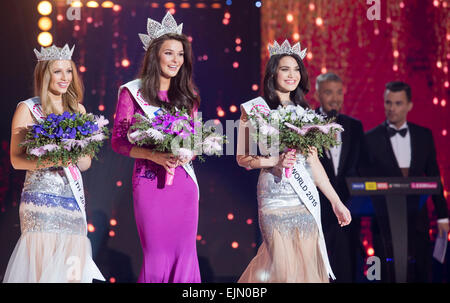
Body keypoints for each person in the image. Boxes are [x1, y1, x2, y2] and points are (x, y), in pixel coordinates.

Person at [236, 40, 351, 283]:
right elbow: (242, 157)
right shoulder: (254, 109)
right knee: (281, 269)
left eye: (296, 69)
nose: (292, 75)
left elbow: (314, 165)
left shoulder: (307, 113)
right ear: (273, 72)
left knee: (305, 271)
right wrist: (273, 162)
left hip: (304, 201)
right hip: (273, 199)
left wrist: (336, 201)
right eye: (285, 69)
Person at [111, 12, 201, 283]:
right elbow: (118, 141)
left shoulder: (189, 96)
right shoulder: (132, 93)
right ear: (155, 56)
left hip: (184, 184)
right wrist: (154, 154)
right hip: (150, 182)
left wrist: (186, 151)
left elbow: (195, 142)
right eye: (169, 53)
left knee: (185, 253)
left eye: (181, 54)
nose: (176, 60)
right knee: (157, 255)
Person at [3, 45, 104, 282]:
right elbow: (16, 160)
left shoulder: (78, 110)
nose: (65, 78)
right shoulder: (27, 108)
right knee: (42, 269)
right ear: (45, 74)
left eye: (69, 71)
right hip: (41, 203)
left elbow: (86, 163)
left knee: (70, 271)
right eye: (58, 72)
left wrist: (74, 152)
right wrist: (53, 158)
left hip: (72, 202)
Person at [365, 81, 449, 282]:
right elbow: (364, 182)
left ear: (409, 105)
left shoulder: (424, 136)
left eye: (398, 103)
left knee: (420, 271)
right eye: (388, 103)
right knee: (384, 274)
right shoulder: (370, 138)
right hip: (384, 223)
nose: (392, 108)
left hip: (417, 220)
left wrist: (443, 217)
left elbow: (434, 177)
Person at [314, 72, 366, 282]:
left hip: (348, 210)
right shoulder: (305, 125)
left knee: (346, 268)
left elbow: (362, 167)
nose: (334, 98)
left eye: (338, 92)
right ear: (317, 94)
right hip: (317, 211)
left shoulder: (355, 126)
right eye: (328, 92)